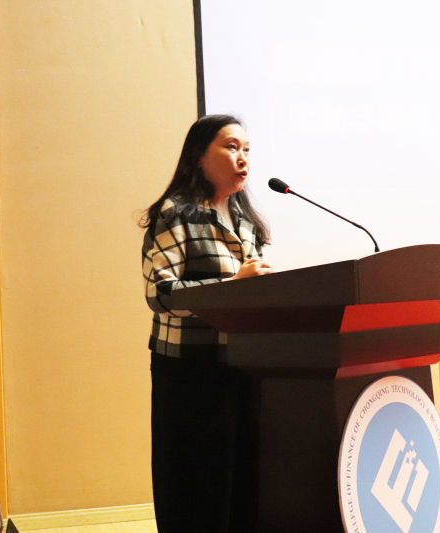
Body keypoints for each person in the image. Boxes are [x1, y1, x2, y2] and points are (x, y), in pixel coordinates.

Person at [140, 114, 273, 532]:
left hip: (244, 364)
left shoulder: (247, 222)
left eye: (247, 150)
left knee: (242, 480)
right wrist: (232, 285)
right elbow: (160, 294)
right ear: (199, 156)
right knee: (198, 484)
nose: (243, 158)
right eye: (231, 147)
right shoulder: (175, 214)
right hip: (190, 370)